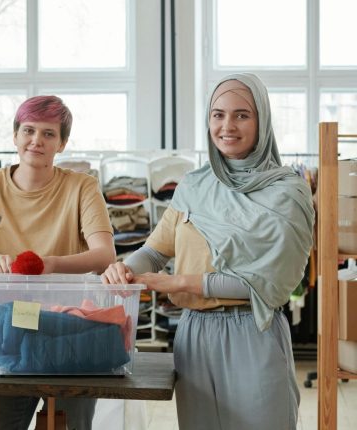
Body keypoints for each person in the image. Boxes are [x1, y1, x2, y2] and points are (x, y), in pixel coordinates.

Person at [102, 73, 314, 429]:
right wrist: (123, 267)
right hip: (195, 336)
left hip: (254, 333)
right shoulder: (194, 185)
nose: (227, 125)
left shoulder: (287, 192)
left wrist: (178, 283)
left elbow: (269, 287)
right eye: (218, 114)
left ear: (262, 119)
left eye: (242, 115)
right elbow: (155, 251)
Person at [0, 95, 117, 430]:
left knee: (72, 424)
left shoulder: (82, 187)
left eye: (48, 134)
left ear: (63, 143)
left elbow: (104, 255)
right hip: (5, 328)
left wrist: (51, 263)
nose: (36, 140)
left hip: (68, 329)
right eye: (28, 130)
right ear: (15, 136)